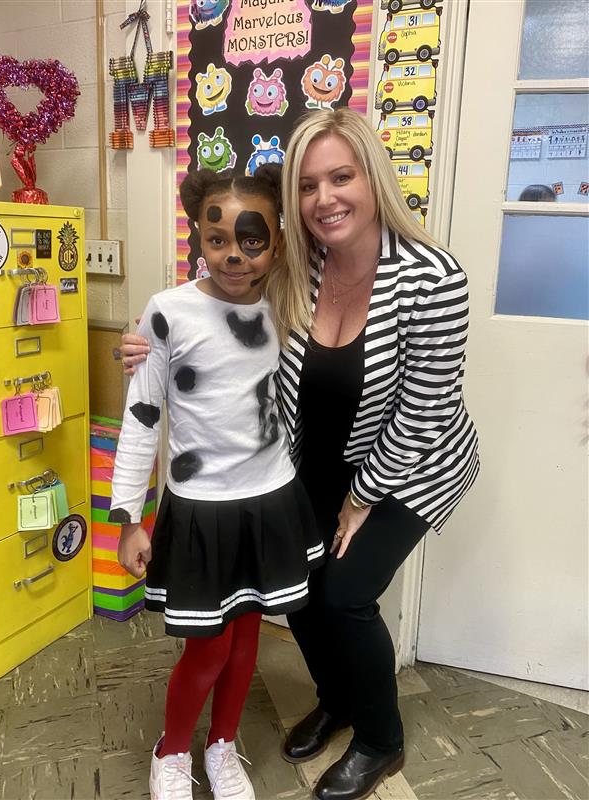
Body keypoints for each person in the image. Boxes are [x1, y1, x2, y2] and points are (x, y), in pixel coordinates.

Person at [122, 108, 480, 800]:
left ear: (373, 178)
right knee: (299, 587)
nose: (325, 199)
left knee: (343, 595)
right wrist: (148, 344)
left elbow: (425, 412)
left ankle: (381, 737)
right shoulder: (300, 263)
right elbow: (219, 291)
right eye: (309, 186)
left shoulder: (433, 279)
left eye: (341, 177)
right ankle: (338, 699)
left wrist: (361, 498)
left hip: (412, 463)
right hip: (323, 454)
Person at [109, 164, 324, 800]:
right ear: (197, 238)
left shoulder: (289, 302)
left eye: (251, 239)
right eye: (217, 239)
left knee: (246, 640)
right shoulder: (168, 313)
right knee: (206, 649)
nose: (234, 255)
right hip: (201, 510)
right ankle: (172, 751)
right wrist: (127, 520)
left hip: (270, 500)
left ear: (278, 240)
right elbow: (142, 417)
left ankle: (222, 744)